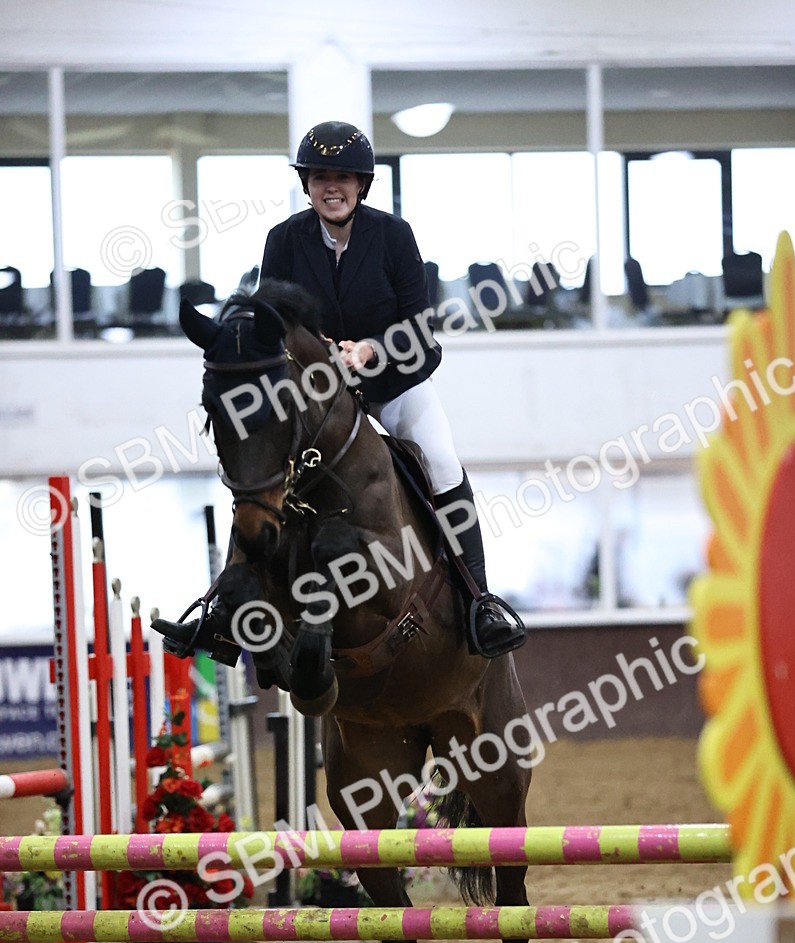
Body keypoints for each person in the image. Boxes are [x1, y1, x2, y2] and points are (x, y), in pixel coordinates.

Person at [156, 120, 526, 664]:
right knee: (260, 469)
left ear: (362, 185)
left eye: (345, 178)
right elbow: (267, 324)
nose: (333, 187)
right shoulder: (284, 240)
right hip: (314, 396)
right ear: (307, 184)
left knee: (444, 463)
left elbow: (421, 332)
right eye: (322, 177)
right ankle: (224, 612)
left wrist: (369, 351)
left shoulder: (393, 236)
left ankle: (479, 602)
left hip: (393, 385)